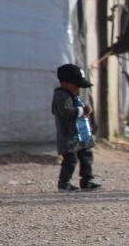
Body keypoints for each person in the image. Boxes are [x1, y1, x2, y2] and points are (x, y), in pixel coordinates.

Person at [52, 64, 100, 192]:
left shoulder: (73, 95)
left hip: (80, 133)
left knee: (86, 155)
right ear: (66, 83)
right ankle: (64, 183)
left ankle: (87, 180)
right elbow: (66, 112)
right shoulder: (61, 95)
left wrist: (85, 110)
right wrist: (82, 110)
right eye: (76, 84)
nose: (78, 88)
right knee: (70, 160)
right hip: (68, 136)